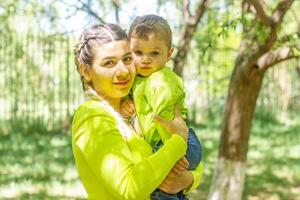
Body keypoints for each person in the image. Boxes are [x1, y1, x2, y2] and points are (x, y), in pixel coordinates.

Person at [72, 23, 203, 200]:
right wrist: (178, 141)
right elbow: (129, 188)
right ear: (86, 71)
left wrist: (189, 180)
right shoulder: (92, 117)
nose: (123, 71)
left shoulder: (139, 107)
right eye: (109, 63)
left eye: (127, 59)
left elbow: (190, 162)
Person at [122, 14, 203, 200]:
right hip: (169, 143)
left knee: (163, 187)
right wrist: (127, 101)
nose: (145, 59)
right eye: (138, 53)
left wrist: (173, 150)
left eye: (154, 53)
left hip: (174, 141)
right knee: (169, 189)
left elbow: (169, 118)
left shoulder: (162, 79)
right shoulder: (136, 79)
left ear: (169, 54)